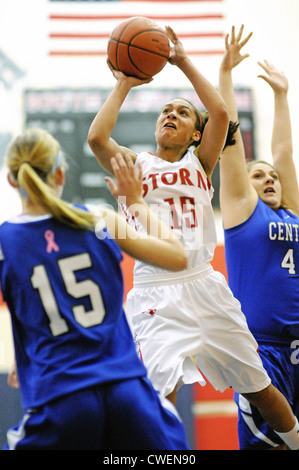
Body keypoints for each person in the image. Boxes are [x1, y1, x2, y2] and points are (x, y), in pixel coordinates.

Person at [88, 25, 299, 450]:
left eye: (182, 113)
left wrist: (183, 61)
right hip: (155, 291)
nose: (171, 115)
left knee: (260, 389)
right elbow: (96, 138)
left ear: (196, 136)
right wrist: (126, 83)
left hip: (204, 283)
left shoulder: (200, 164)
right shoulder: (135, 165)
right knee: (162, 397)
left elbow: (221, 114)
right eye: (166, 110)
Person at [0, 127, 190, 450]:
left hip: (60, 397)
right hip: (127, 393)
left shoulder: (5, 243)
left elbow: (32, 302)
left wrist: (30, 350)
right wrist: (137, 204)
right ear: (61, 173)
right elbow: (178, 256)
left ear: (12, 181)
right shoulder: (100, 219)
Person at [219, 25, 299, 450]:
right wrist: (226, 74)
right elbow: (231, 144)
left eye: (272, 177)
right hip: (264, 351)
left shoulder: (293, 212)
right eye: (258, 175)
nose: (269, 177)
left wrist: (282, 96)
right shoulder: (243, 212)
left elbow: (284, 154)